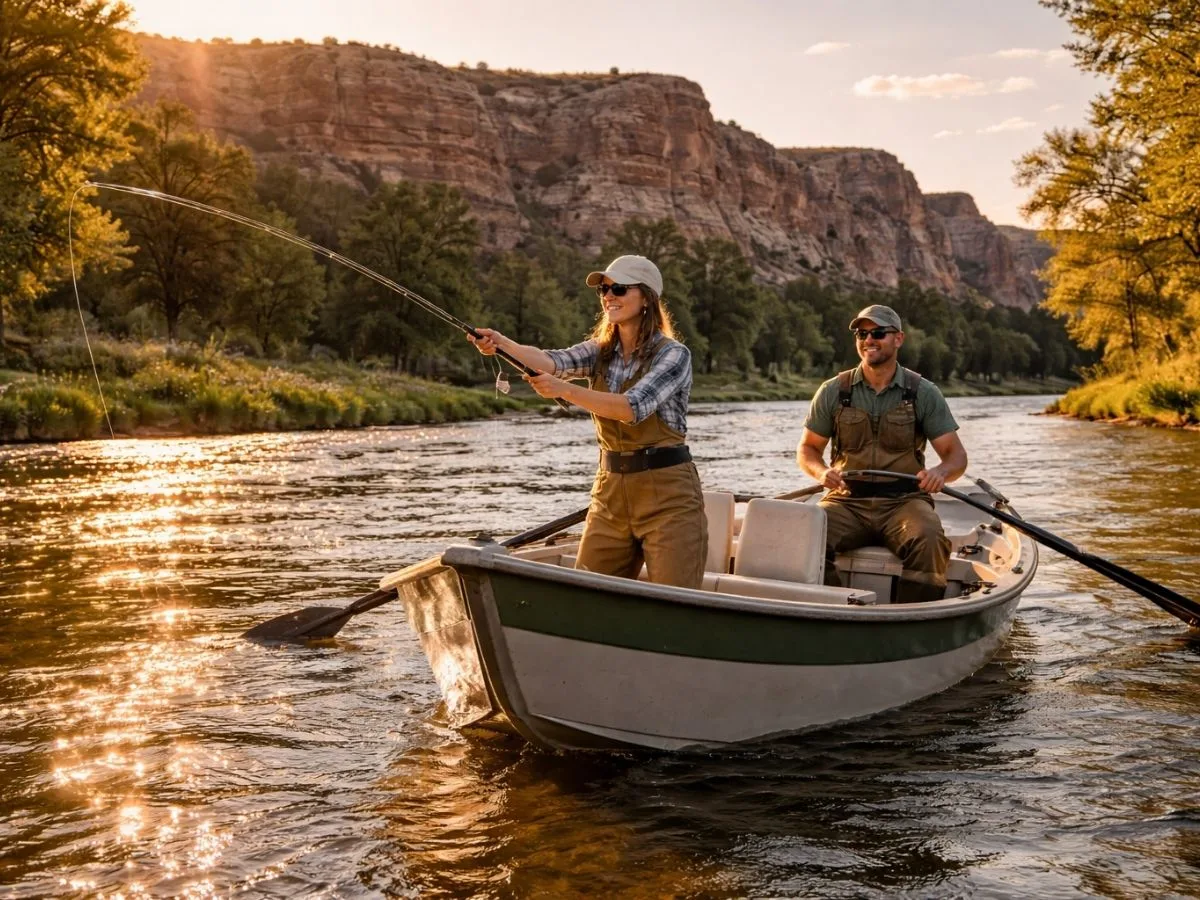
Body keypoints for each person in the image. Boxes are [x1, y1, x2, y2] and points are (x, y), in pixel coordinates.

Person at [468, 254, 707, 589]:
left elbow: (631, 407)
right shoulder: (599, 351)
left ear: (647, 299)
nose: (609, 295)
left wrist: (563, 390)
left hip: (670, 500)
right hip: (609, 494)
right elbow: (550, 361)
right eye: (604, 290)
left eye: (620, 289)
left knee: (677, 603)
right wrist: (500, 343)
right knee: (584, 596)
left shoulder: (674, 355)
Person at [796, 304, 967, 604]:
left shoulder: (923, 392)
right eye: (862, 334)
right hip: (846, 501)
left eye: (878, 333)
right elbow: (808, 449)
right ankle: (835, 611)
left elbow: (955, 456)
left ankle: (910, 623)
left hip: (904, 502)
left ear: (898, 339)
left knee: (929, 540)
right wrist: (821, 472)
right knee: (802, 534)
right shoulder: (833, 390)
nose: (868, 340)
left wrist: (940, 473)